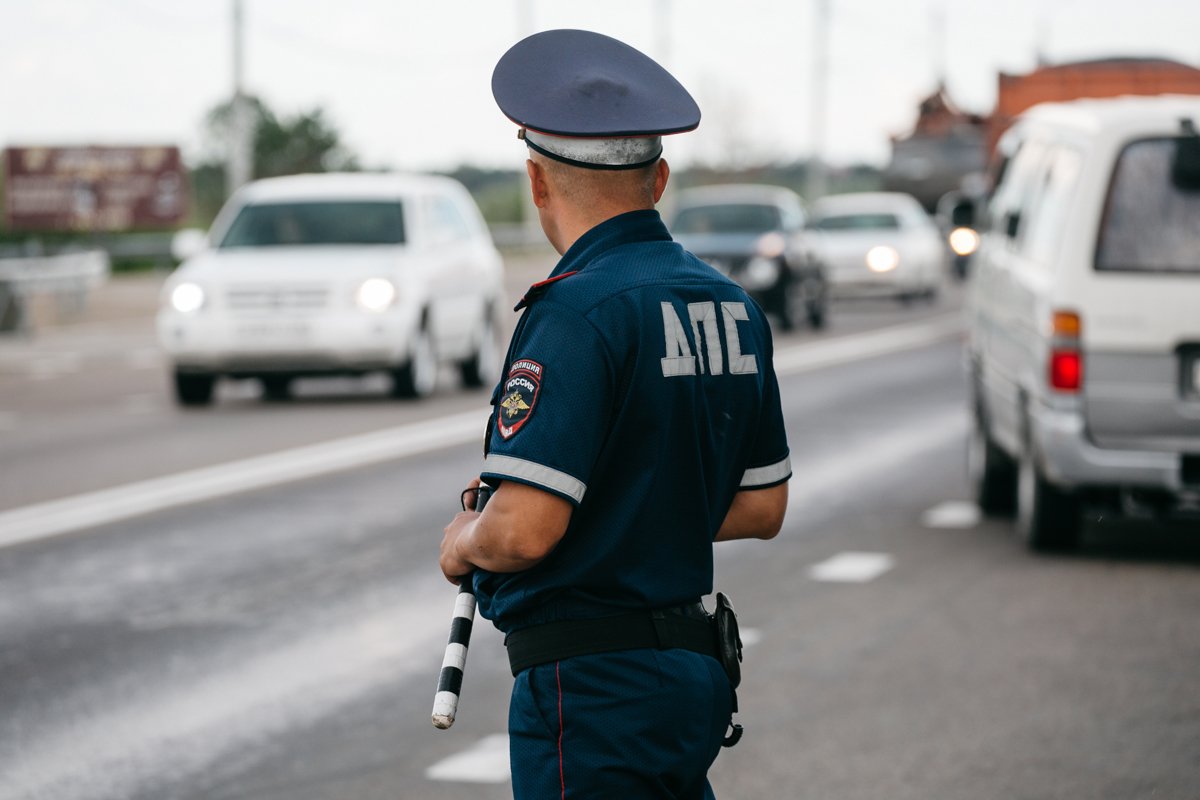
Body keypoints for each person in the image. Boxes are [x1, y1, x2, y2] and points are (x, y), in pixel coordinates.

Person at [439, 29, 790, 799]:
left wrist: (467, 537)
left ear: (536, 181)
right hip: (690, 678)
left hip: (591, 690)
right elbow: (762, 505)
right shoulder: (732, 306)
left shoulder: (573, 313)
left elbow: (527, 528)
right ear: (658, 179)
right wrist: (637, 516)